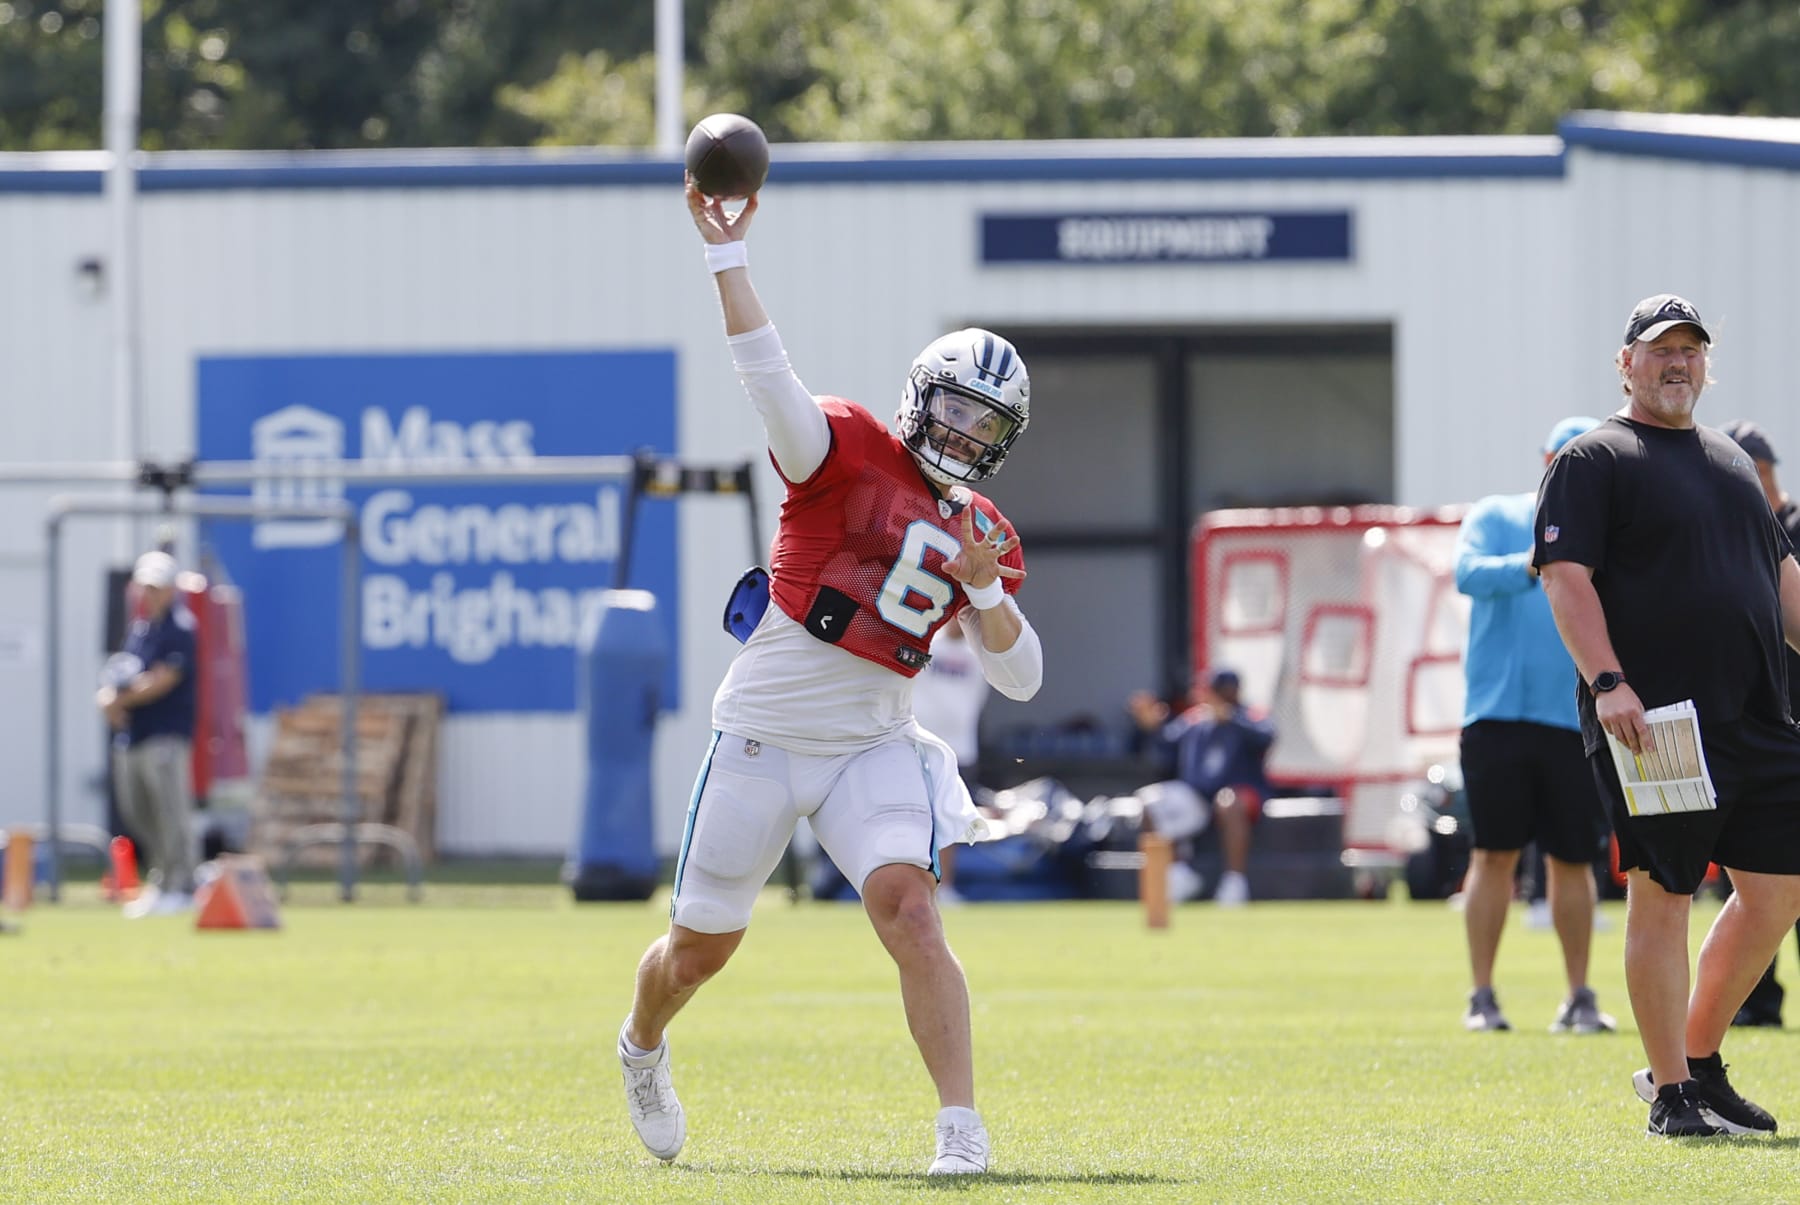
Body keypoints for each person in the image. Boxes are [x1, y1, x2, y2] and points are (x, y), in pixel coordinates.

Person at [617, 177, 1043, 1175]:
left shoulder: (987, 535)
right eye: (956, 413)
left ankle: (960, 1127)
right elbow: (767, 374)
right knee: (698, 953)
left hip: (871, 743)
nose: (965, 439)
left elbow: (1020, 676)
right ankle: (640, 1044)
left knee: (909, 903)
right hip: (763, 734)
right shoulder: (844, 448)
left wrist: (985, 593)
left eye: (987, 428)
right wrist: (727, 256)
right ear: (917, 400)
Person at [1535, 293, 1800, 1138]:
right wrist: (1608, 680)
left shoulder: (1728, 461)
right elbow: (1564, 578)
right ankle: (1674, 1097)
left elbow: (1783, 586)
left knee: (1777, 895)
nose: (1677, 362)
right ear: (1626, 363)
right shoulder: (1594, 457)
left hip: (1759, 718)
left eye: (1690, 349)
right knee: (1666, 893)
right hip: (1657, 722)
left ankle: (1695, 1064)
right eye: (1660, 350)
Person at [1454, 415, 1617, 1035]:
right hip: (1495, 716)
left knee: (1572, 860)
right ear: (1545, 460)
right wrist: (1538, 563)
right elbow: (1465, 573)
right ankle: (1482, 995)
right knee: (1492, 855)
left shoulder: (1610, 533)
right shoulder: (1497, 514)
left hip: (1575, 718)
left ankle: (1578, 997)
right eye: (1564, 460)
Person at [1717, 418, 1800, 1028]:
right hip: (1758, 726)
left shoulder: (1782, 531)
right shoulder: (1725, 534)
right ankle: (1754, 1002)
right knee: (1752, 873)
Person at [96, 549, 199, 918]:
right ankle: (161, 879)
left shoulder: (180, 628)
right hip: (134, 736)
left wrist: (120, 699)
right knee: (138, 812)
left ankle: (183, 885)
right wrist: (108, 699)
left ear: (171, 589)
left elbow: (163, 679)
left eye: (157, 587)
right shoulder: (140, 630)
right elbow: (121, 674)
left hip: (165, 734)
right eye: (146, 587)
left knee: (171, 810)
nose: (150, 594)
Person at [1132, 667, 1274, 906]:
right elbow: (1166, 745)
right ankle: (1178, 872)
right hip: (1198, 796)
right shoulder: (1195, 719)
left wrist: (1231, 719)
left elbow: (1267, 737)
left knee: (1228, 801)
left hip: (1241, 794)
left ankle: (1234, 884)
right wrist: (1151, 727)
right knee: (1150, 801)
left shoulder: (1250, 715)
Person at [910, 622, 995, 904]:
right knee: (912, 817)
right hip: (918, 743)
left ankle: (943, 888)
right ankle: (908, 885)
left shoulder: (978, 653)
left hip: (960, 748)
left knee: (947, 819)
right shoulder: (926, 643)